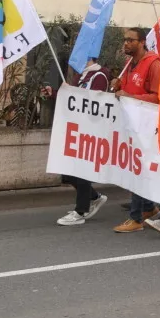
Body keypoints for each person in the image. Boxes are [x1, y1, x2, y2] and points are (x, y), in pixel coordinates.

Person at [112, 29, 160, 233]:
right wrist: (118, 86)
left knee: (139, 168)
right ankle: (149, 208)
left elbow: (159, 97)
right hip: (131, 126)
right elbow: (127, 91)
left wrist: (130, 97)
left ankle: (135, 218)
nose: (126, 43)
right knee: (135, 167)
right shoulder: (129, 65)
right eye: (124, 40)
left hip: (146, 127)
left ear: (142, 42)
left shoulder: (153, 64)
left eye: (130, 40)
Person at [56, 57, 111, 226]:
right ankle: (95, 197)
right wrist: (55, 93)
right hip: (76, 129)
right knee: (67, 172)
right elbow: (72, 101)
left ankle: (81, 211)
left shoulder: (99, 76)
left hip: (90, 130)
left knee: (82, 171)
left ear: (89, 57)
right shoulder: (81, 76)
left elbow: (94, 103)